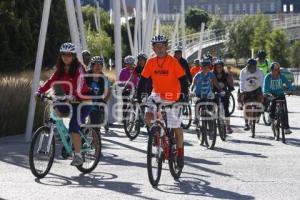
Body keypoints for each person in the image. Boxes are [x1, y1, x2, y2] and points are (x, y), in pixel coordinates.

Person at [137, 35, 189, 169]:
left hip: (173, 95)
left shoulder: (172, 61)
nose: (159, 49)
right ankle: (157, 135)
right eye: (156, 46)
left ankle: (180, 153)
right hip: (157, 94)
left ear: (166, 47)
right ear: (153, 48)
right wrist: (138, 96)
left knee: (177, 127)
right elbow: (143, 80)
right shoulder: (150, 62)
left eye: (162, 46)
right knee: (148, 115)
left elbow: (183, 79)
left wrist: (184, 95)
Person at [36, 42, 92, 166]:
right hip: (69, 100)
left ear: (73, 56)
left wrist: (74, 95)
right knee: (55, 107)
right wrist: (39, 92)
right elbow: (51, 81)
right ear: (60, 56)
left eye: (69, 55)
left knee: (73, 127)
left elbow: (80, 84)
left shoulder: (79, 68)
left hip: (83, 101)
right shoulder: (60, 69)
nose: (66, 57)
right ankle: (67, 137)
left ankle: (78, 155)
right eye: (63, 55)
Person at [263, 62, 294, 134]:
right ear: (270, 70)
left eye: (276, 70)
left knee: (284, 111)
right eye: (273, 70)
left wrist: (291, 90)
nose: (274, 71)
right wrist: (266, 93)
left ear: (278, 70)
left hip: (280, 94)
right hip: (271, 94)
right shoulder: (267, 77)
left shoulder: (281, 76)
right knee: (273, 103)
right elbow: (265, 87)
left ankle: (286, 128)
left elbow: (288, 84)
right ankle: (271, 116)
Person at [190, 58, 221, 125]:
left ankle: (215, 118)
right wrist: (191, 91)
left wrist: (220, 90)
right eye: (204, 67)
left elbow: (216, 83)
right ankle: (196, 118)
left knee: (213, 103)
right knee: (197, 104)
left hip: (208, 94)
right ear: (201, 67)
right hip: (198, 95)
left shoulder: (211, 74)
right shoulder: (197, 75)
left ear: (209, 67)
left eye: (207, 67)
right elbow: (193, 84)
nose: (206, 69)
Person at [86, 56, 111, 134]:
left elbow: (108, 92)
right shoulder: (86, 76)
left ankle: (95, 143)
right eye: (95, 64)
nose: (98, 66)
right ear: (92, 65)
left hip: (97, 103)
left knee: (96, 127)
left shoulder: (104, 78)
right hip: (85, 101)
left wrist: (104, 101)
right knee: (82, 124)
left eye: (100, 64)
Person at [239, 58, 264, 131]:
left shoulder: (259, 71)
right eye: (250, 66)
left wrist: (261, 90)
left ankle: (258, 111)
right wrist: (241, 90)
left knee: (261, 99)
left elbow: (262, 82)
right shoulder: (243, 71)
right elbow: (241, 82)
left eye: (253, 66)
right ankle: (246, 123)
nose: (251, 67)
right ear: (247, 65)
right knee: (246, 106)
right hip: (246, 90)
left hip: (256, 89)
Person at [212, 59, 235, 134]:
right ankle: (211, 124)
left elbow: (230, 83)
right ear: (214, 67)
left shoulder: (226, 75)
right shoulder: (212, 74)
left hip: (224, 92)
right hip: (214, 92)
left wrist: (230, 89)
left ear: (222, 67)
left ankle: (228, 126)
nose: (219, 68)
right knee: (211, 107)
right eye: (217, 67)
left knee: (226, 109)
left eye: (220, 67)